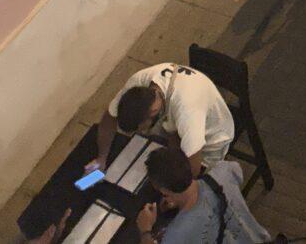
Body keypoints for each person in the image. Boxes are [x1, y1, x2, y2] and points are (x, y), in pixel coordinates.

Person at [95, 63, 234, 179]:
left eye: (141, 129)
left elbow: (194, 167)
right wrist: (101, 158)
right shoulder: (138, 83)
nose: (141, 133)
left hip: (212, 139)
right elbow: (110, 118)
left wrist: (173, 195)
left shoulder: (187, 111)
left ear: (153, 112)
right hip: (176, 127)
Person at [138, 147, 269, 244]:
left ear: (163, 191)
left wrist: (145, 230)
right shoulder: (223, 172)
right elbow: (237, 172)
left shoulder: (176, 234)